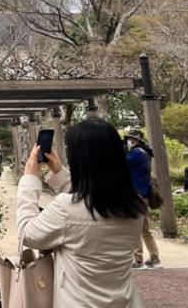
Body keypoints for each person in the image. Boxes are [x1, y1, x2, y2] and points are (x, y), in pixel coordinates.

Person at [16, 117, 147, 308]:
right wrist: (60, 174)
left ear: (80, 160)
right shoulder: (133, 206)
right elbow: (94, 202)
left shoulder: (66, 209)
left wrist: (30, 180)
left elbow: (27, 234)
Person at [125, 128, 161, 268]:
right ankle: (155, 258)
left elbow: (119, 163)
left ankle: (138, 260)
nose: (130, 141)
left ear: (137, 140)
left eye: (132, 139)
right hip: (144, 194)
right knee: (145, 230)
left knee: (135, 228)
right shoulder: (145, 153)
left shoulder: (135, 154)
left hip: (136, 195)